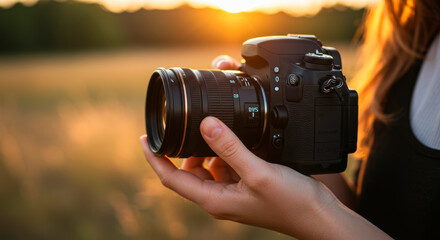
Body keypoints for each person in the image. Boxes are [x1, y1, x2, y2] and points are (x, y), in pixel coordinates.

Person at [141, 0, 440, 238]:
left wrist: (311, 214)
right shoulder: (413, 42)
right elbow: (367, 215)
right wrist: (292, 163)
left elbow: (334, 219)